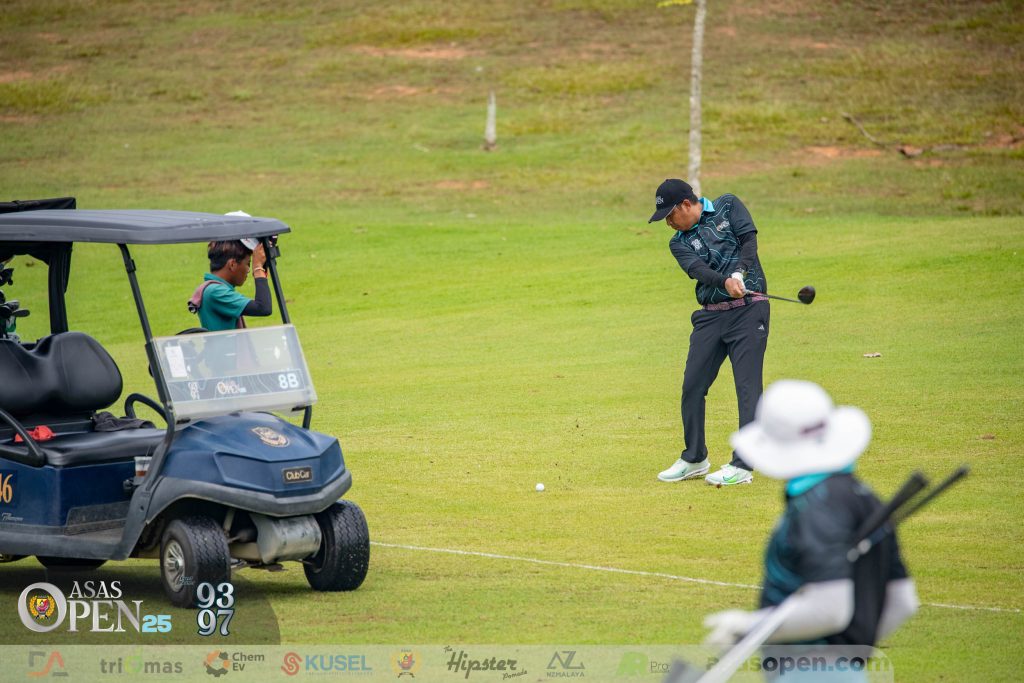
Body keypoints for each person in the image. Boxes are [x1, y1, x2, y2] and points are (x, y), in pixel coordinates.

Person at [703, 380, 919, 679]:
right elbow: (903, 602)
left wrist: (749, 626)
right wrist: (847, 659)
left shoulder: (815, 508)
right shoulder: (864, 496)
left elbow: (830, 608)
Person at [649, 178, 769, 486]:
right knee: (692, 386)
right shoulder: (678, 243)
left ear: (686, 204)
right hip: (711, 316)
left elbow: (749, 242)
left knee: (747, 387)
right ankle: (695, 458)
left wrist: (739, 273)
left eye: (670, 216)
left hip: (749, 311)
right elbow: (699, 271)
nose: (669, 224)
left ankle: (743, 465)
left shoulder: (728, 206)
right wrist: (725, 282)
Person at [188, 238, 272, 331]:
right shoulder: (216, 292)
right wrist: (258, 267)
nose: (248, 270)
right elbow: (263, 308)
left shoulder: (213, 289)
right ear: (232, 264)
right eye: (248, 264)